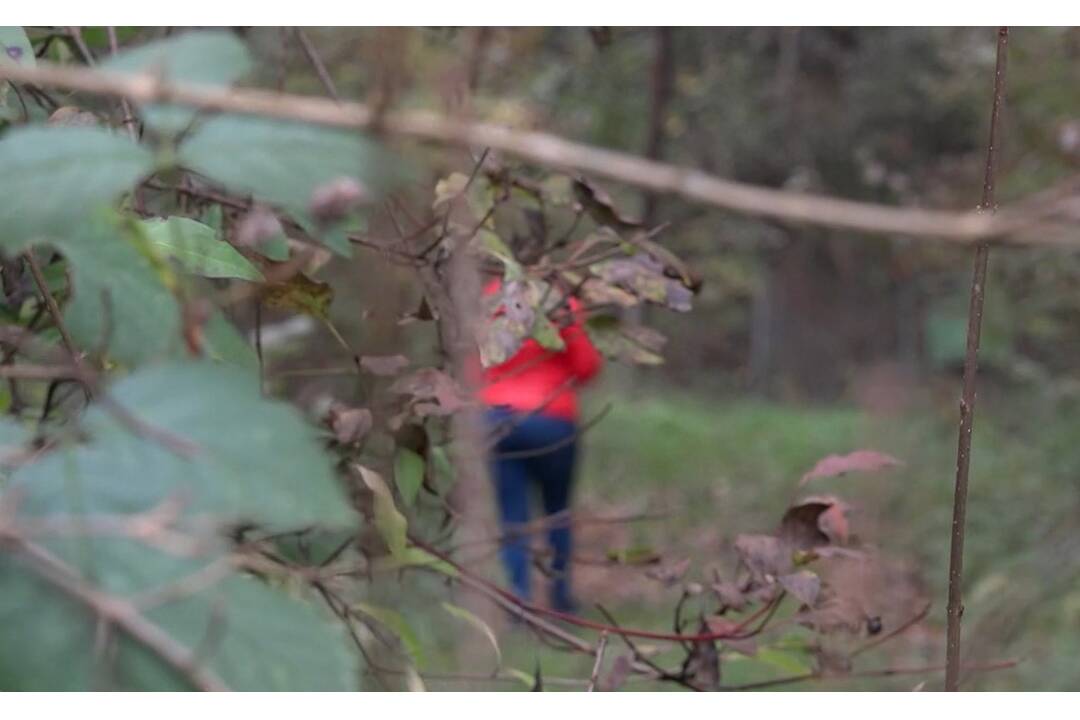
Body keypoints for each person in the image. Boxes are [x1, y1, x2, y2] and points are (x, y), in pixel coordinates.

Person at [479, 277, 603, 613]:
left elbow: (472, 363)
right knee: (557, 512)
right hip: (553, 419)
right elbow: (587, 366)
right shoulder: (559, 301)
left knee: (511, 516)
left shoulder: (490, 300)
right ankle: (560, 597)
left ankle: (518, 601)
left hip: (498, 419)